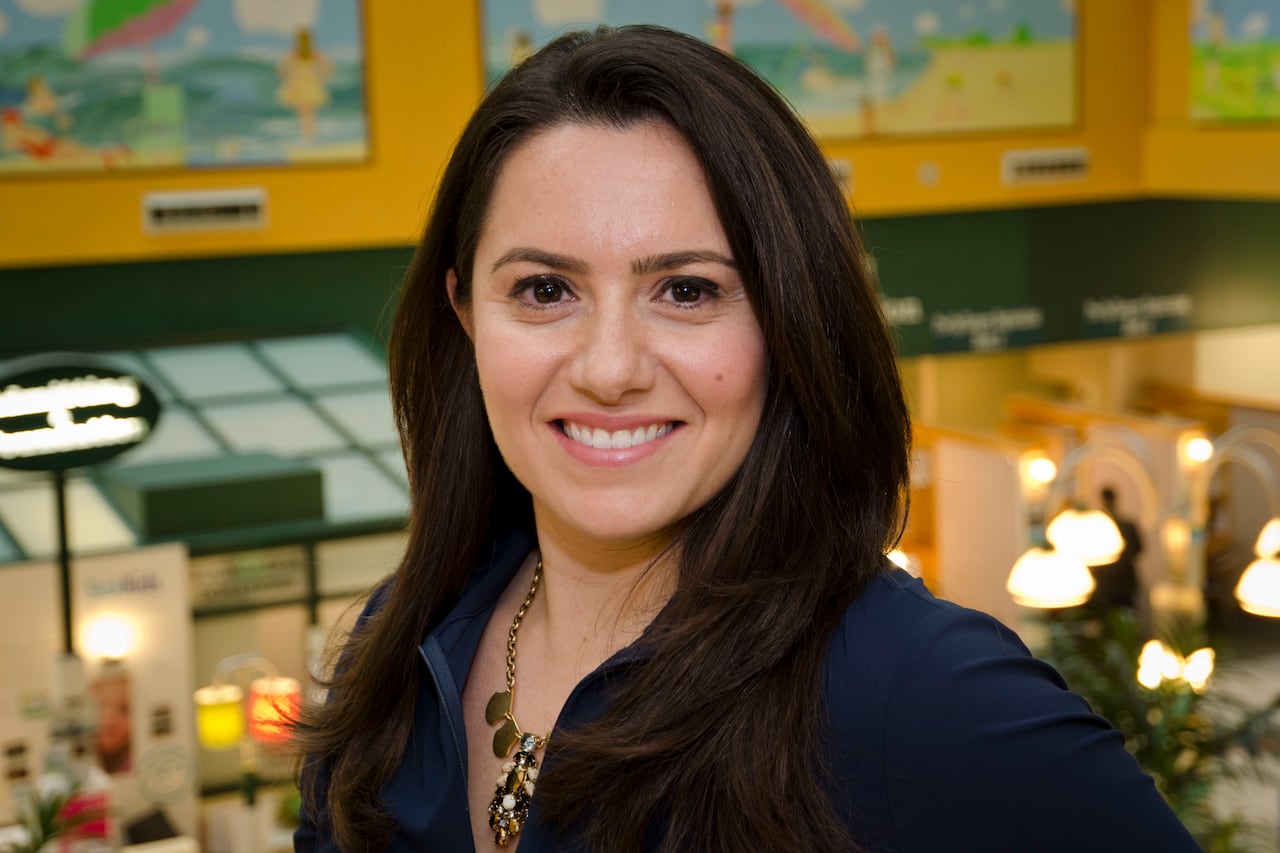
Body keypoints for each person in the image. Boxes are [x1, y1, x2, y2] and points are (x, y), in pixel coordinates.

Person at [293, 25, 1198, 852]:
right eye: (544, 290)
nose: (610, 368)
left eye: (686, 290)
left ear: (787, 320)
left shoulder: (921, 693)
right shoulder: (402, 641)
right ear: (463, 316)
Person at [1091, 485, 1143, 613]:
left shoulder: (1097, 528)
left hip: (1108, 582)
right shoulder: (1126, 525)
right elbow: (1139, 549)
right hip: (1121, 581)